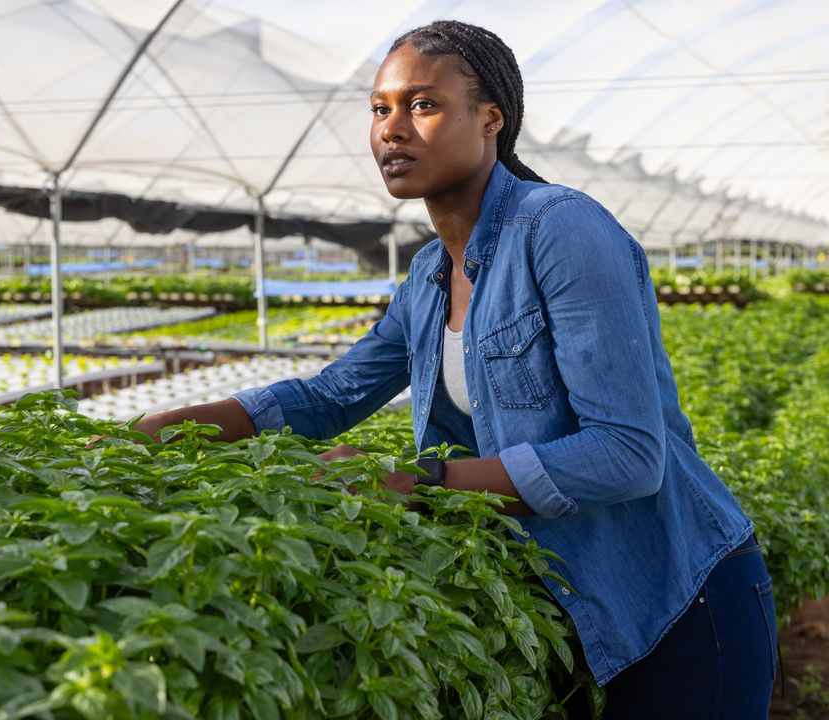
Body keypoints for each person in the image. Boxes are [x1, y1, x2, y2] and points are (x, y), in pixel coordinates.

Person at [116, 20, 778, 719]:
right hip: (583, 614)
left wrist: (416, 484)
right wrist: (155, 435)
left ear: (490, 118)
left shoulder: (560, 230)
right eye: (380, 109)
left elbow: (628, 454)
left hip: (681, 604)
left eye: (422, 105)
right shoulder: (431, 274)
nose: (392, 129)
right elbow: (328, 396)